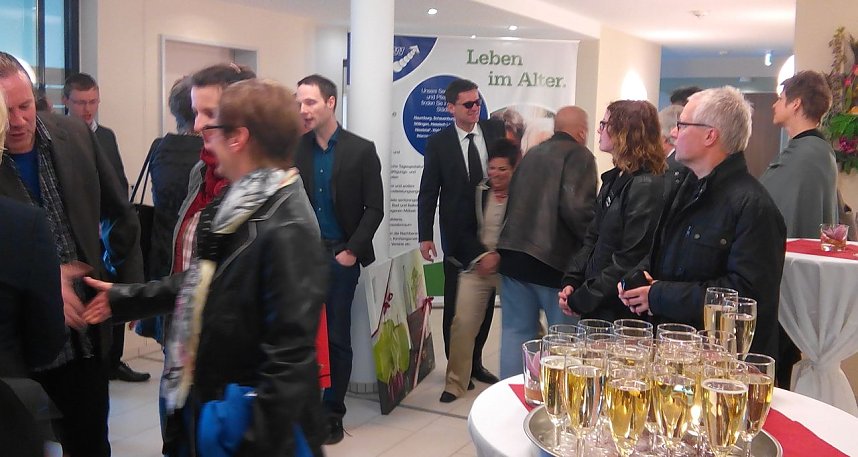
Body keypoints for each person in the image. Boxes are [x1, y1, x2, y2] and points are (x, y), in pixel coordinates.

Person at [83, 78, 328, 456]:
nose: (199, 130)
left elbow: (289, 357)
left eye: (211, 123)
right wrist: (127, 297)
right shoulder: (243, 202)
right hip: (214, 398)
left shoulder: (287, 223)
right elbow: (205, 280)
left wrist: (250, 442)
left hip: (246, 422)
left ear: (238, 138)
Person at [0, 50, 143, 457]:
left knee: (90, 443)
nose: (20, 121)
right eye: (7, 112)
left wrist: (127, 292)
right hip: (18, 348)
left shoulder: (75, 135)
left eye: (26, 106)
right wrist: (47, 280)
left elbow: (120, 214)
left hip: (84, 336)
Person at [618, 86, 786, 361]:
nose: (673, 132)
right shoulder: (684, 186)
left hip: (720, 367)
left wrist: (658, 295)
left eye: (682, 125)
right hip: (676, 352)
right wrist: (637, 280)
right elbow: (661, 257)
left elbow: (745, 297)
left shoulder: (753, 206)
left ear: (710, 135)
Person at [295, 73, 384, 444]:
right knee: (300, 336)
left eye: (310, 102)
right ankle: (303, 407)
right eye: (298, 102)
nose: (303, 110)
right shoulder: (295, 149)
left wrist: (351, 251)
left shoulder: (360, 150)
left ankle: (332, 413)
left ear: (331, 102)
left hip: (338, 256)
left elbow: (374, 208)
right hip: (299, 259)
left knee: (336, 338)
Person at [496, 106, 597, 379]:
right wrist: (596, 244)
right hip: (555, 263)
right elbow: (577, 210)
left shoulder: (531, 154)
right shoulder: (580, 155)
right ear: (582, 131)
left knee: (515, 333)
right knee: (564, 342)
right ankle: (562, 407)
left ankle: (510, 400)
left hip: (514, 258)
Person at [62, 72, 150, 383]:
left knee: (114, 292)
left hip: (107, 231)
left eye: (93, 102)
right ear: (66, 101)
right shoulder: (58, 138)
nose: (87, 109)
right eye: (80, 102)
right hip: (77, 235)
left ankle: (114, 361)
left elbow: (117, 185)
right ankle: (93, 361)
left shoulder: (106, 136)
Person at [418, 78, 504, 387]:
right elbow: (428, 191)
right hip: (456, 232)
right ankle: (457, 369)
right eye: (468, 104)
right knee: (455, 306)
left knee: (484, 301)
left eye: (478, 102)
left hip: (491, 231)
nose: (475, 108)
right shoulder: (439, 143)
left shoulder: (494, 131)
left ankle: (476, 362)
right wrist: (424, 235)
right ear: (451, 107)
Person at [760, 70, 838, 387]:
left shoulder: (806, 156)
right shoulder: (810, 152)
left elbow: (771, 211)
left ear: (796, 104)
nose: (774, 105)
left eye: (780, 98)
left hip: (786, 282)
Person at [558, 101, 666, 321]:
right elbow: (593, 239)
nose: (599, 130)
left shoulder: (645, 185)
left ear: (624, 132)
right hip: (599, 302)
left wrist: (584, 297)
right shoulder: (615, 178)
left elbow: (629, 258)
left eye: (604, 124)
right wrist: (572, 281)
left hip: (620, 311)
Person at [441, 139, 518, 403]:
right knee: (462, 323)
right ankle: (455, 383)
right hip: (477, 265)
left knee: (524, 325)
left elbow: (526, 233)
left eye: (502, 170)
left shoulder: (523, 195)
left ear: (515, 169)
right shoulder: (477, 191)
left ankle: (525, 380)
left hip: (510, 270)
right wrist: (483, 255)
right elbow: (460, 228)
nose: (495, 175)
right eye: (492, 168)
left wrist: (500, 257)